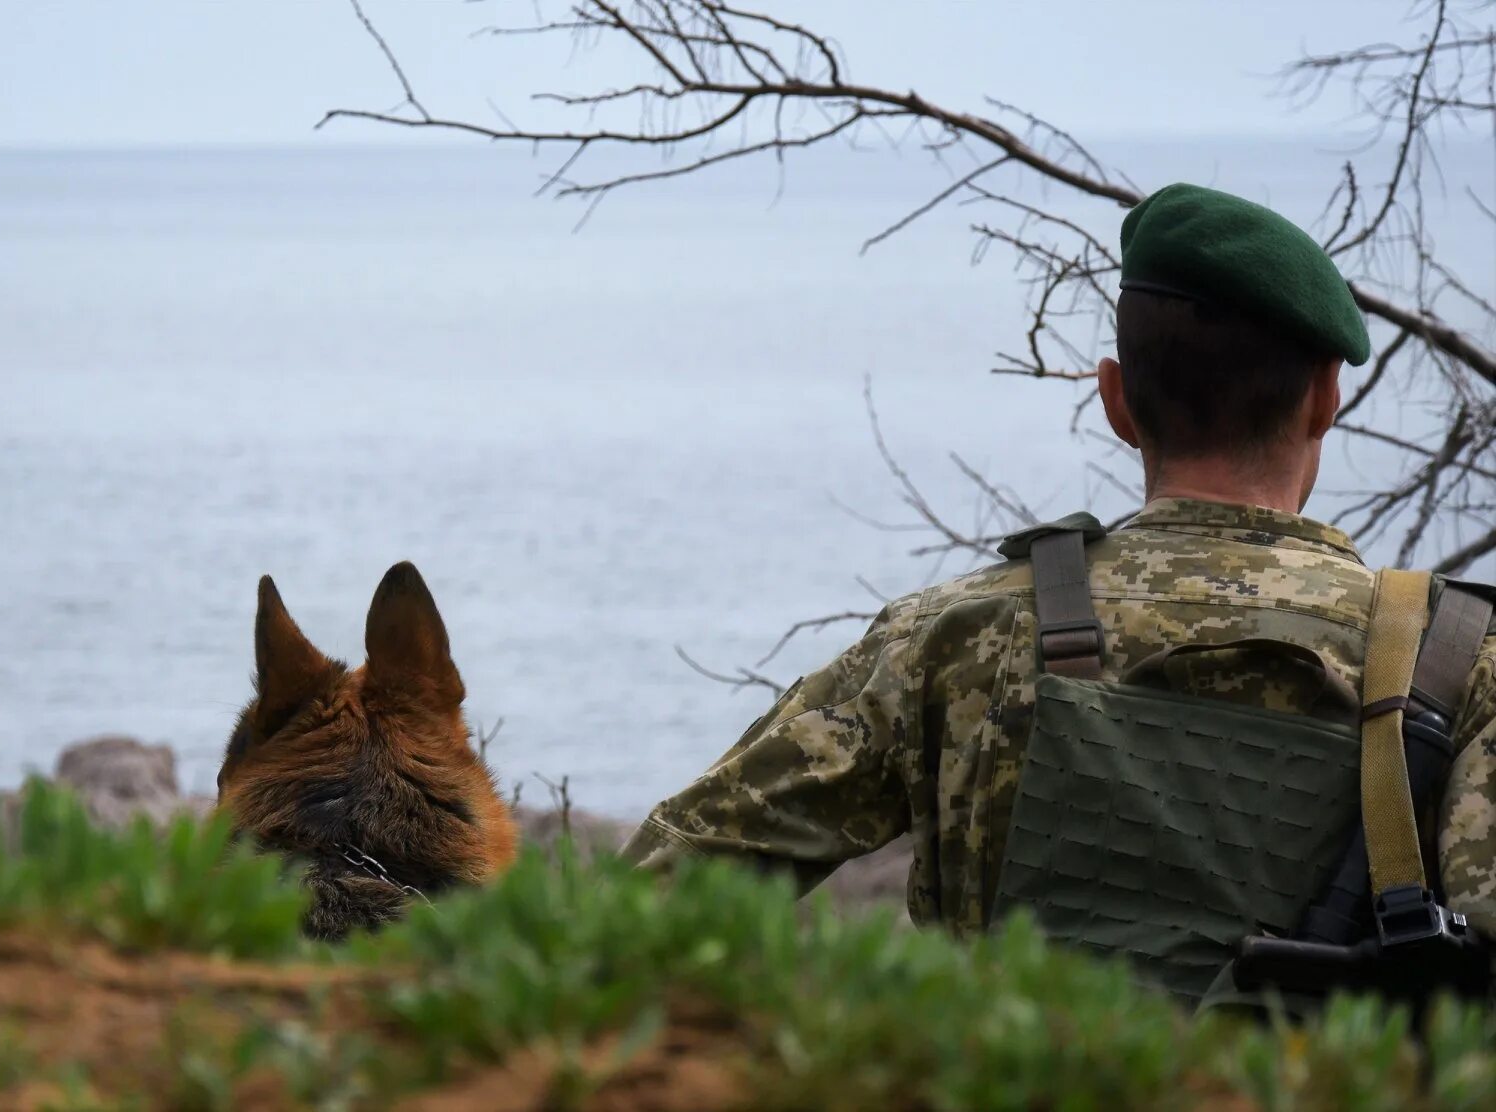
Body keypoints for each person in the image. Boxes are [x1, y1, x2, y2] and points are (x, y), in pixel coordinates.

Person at [620, 182, 1496, 1001]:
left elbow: (664, 886)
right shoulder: (1461, 661)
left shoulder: (953, 637)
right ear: (1324, 402)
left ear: (1116, 400)